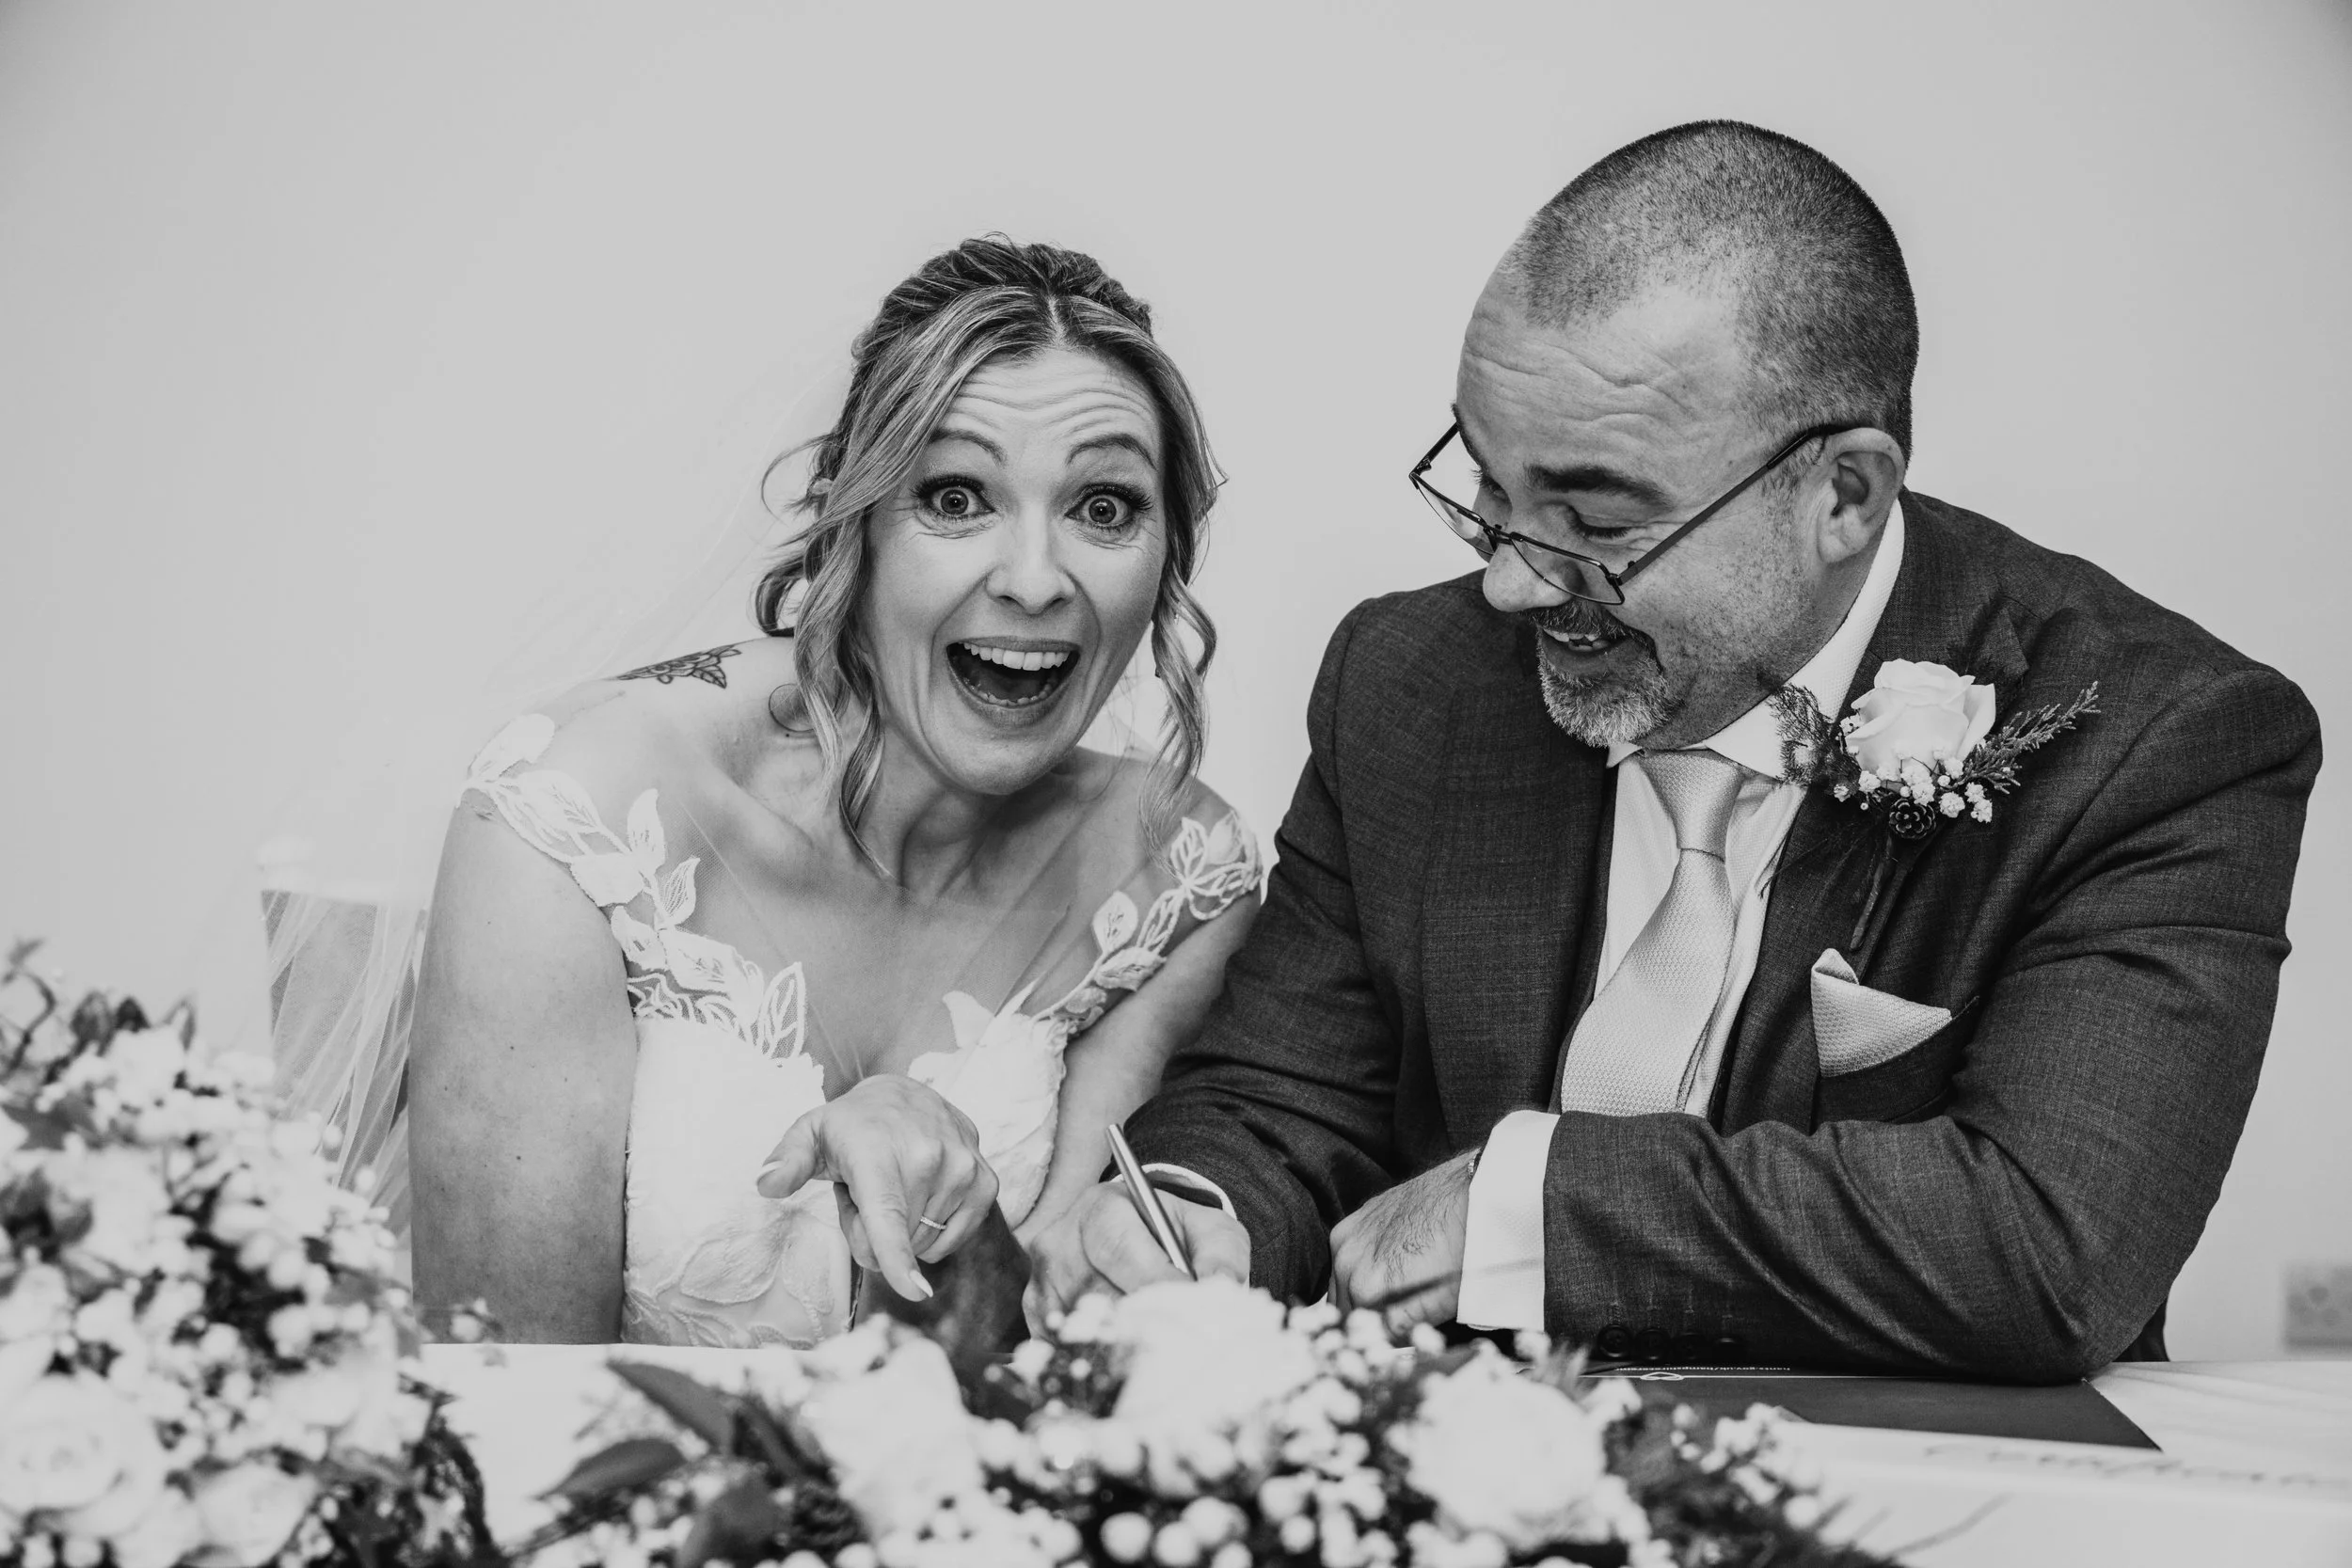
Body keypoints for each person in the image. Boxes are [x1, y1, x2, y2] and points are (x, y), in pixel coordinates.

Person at [1028, 121, 2322, 1380]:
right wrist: (1201, 1211)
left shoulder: (2159, 740)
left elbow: (2048, 1240)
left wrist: (1524, 1208)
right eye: (1487, 490)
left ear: (1843, 496)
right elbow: (1279, 1096)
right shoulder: (1408, 683)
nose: (1514, 590)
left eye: (1593, 518)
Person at [402, 238, 1259, 1345]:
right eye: (955, 496)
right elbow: (503, 1393)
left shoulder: (1175, 875)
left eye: (1104, 507)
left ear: (1167, 558)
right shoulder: (579, 819)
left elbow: (1056, 1361)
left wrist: (969, 1227)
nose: (1037, 579)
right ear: (848, 523)